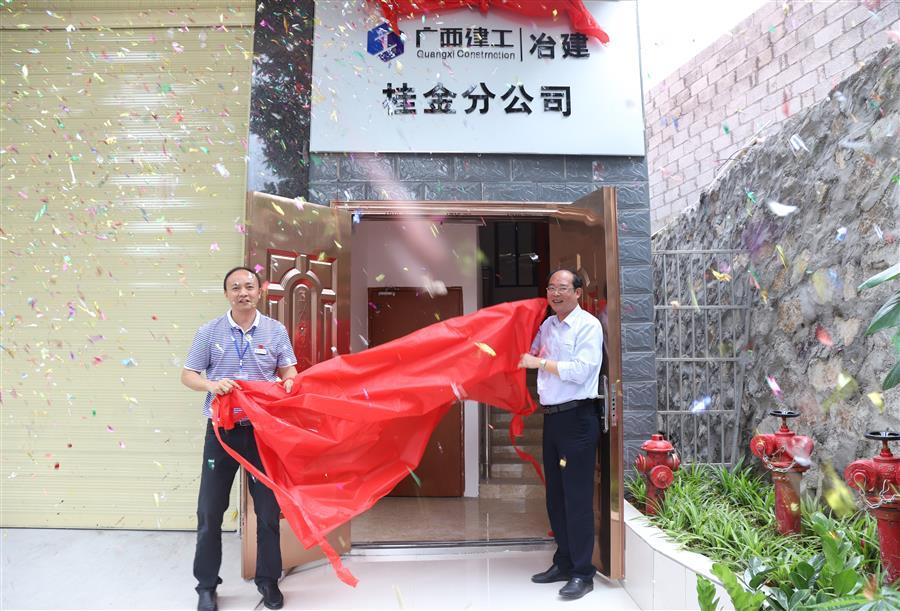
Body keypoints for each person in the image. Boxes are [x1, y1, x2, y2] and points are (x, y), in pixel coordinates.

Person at [181, 266, 298, 611]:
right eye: (235, 287)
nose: (243, 292)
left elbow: (288, 369)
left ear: (260, 291)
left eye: (249, 286)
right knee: (209, 510)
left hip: (263, 432)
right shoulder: (208, 332)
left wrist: (290, 380)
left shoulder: (275, 331)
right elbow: (188, 375)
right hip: (221, 432)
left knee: (268, 511)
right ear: (226, 294)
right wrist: (211, 384)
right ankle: (206, 585)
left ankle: (268, 580)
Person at [518, 268, 604, 601]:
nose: (556, 293)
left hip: (578, 419)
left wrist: (539, 364)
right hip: (553, 419)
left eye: (563, 288)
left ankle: (583, 573)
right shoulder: (547, 326)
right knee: (555, 496)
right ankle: (564, 562)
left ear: (578, 293)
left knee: (577, 498)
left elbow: (580, 371)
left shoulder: (588, 326)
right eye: (551, 287)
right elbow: (527, 352)